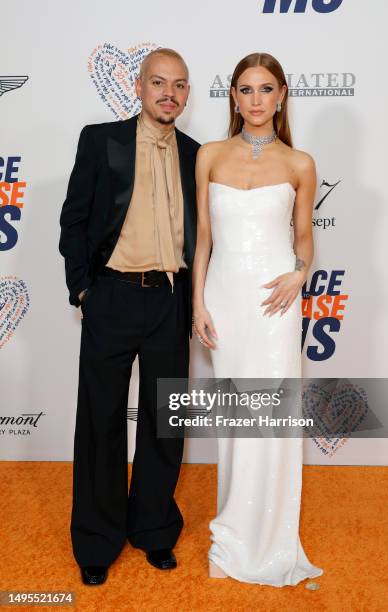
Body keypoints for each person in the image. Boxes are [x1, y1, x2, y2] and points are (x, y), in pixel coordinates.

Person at [59, 48, 200, 585]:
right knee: (101, 421)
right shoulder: (101, 140)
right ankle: (96, 539)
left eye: (179, 85)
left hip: (169, 299)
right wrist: (84, 292)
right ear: (139, 87)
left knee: (166, 423)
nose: (169, 93)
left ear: (187, 94)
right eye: (159, 82)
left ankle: (154, 530)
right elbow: (73, 220)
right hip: (112, 296)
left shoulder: (195, 153)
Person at [192, 52, 324, 586]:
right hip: (223, 298)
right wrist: (197, 303)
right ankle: (233, 535)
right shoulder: (209, 155)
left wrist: (299, 272)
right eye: (245, 90)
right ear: (233, 97)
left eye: (265, 89)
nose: (255, 100)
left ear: (282, 95)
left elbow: (305, 235)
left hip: (276, 300)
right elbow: (202, 238)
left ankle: (268, 539)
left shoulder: (300, 163)